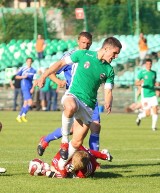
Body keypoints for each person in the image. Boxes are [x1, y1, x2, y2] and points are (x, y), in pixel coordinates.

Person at [36, 36, 122, 176]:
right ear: (106, 49)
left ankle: (61, 167)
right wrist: (44, 76)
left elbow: (108, 89)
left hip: (89, 106)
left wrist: (108, 101)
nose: (116, 57)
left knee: (76, 142)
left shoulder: (109, 70)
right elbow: (60, 63)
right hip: (74, 95)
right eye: (114, 53)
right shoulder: (82, 54)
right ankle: (63, 142)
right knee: (70, 107)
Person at [37, 32, 101, 156]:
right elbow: (52, 71)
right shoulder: (70, 56)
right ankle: (46, 140)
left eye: (88, 43)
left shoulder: (93, 57)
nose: (85, 46)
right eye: (83, 43)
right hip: (74, 96)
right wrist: (58, 81)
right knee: (72, 130)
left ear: (91, 44)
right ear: (78, 42)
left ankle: (94, 159)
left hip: (90, 97)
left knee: (96, 127)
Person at [135, 58, 159, 131]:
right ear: (145, 64)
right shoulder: (142, 73)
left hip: (152, 94)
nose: (149, 65)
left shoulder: (154, 73)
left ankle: (153, 127)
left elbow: (154, 82)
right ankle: (139, 116)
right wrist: (141, 82)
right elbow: (136, 83)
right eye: (147, 64)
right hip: (145, 95)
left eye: (150, 64)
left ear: (151, 64)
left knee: (155, 109)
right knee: (148, 113)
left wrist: (156, 83)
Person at [16, 58, 36, 123]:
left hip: (30, 86)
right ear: (26, 62)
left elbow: (35, 80)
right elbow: (16, 76)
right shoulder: (23, 69)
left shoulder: (33, 70)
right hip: (24, 86)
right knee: (30, 102)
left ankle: (19, 116)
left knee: (25, 103)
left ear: (32, 62)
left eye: (30, 61)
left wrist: (33, 87)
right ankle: (23, 115)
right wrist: (23, 77)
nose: (29, 62)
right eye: (28, 61)